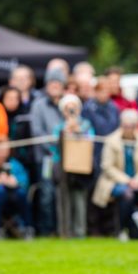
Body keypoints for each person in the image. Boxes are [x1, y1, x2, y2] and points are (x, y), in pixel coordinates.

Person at [93, 109, 138, 241]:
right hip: (114, 182)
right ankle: (121, 230)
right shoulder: (111, 141)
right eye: (125, 126)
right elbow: (107, 167)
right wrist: (128, 181)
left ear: (136, 126)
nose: (128, 129)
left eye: (131, 126)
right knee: (127, 195)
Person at [81, 77, 120, 236]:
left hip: (111, 154)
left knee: (109, 190)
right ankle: (93, 227)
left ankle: (109, 227)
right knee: (93, 191)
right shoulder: (88, 108)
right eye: (101, 90)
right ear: (95, 91)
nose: (104, 94)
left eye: (106, 90)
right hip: (94, 154)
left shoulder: (114, 108)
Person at [51, 94, 94, 238]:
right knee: (63, 200)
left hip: (80, 167)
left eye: (73, 108)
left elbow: (91, 141)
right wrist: (66, 132)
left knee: (79, 199)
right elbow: (53, 147)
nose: (70, 111)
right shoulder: (58, 127)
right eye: (67, 109)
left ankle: (80, 231)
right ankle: (65, 231)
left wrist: (78, 131)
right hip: (62, 168)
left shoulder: (86, 125)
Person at [30, 67, 66, 236]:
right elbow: (37, 132)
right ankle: (46, 230)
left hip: (66, 159)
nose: (55, 86)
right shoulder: (38, 105)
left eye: (58, 83)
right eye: (52, 83)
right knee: (46, 194)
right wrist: (55, 147)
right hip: (46, 158)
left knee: (63, 194)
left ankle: (62, 228)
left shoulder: (67, 104)